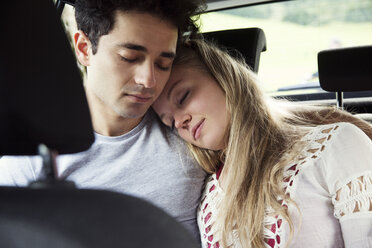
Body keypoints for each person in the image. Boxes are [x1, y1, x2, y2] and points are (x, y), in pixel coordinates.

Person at [0, 0, 207, 241]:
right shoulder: (28, 160)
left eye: (163, 64)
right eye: (129, 57)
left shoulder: (190, 135)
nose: (148, 81)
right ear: (84, 48)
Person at [152, 39, 372, 248]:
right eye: (170, 123)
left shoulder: (337, 145)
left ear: (221, 75)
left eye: (182, 97)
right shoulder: (208, 199)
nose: (180, 121)